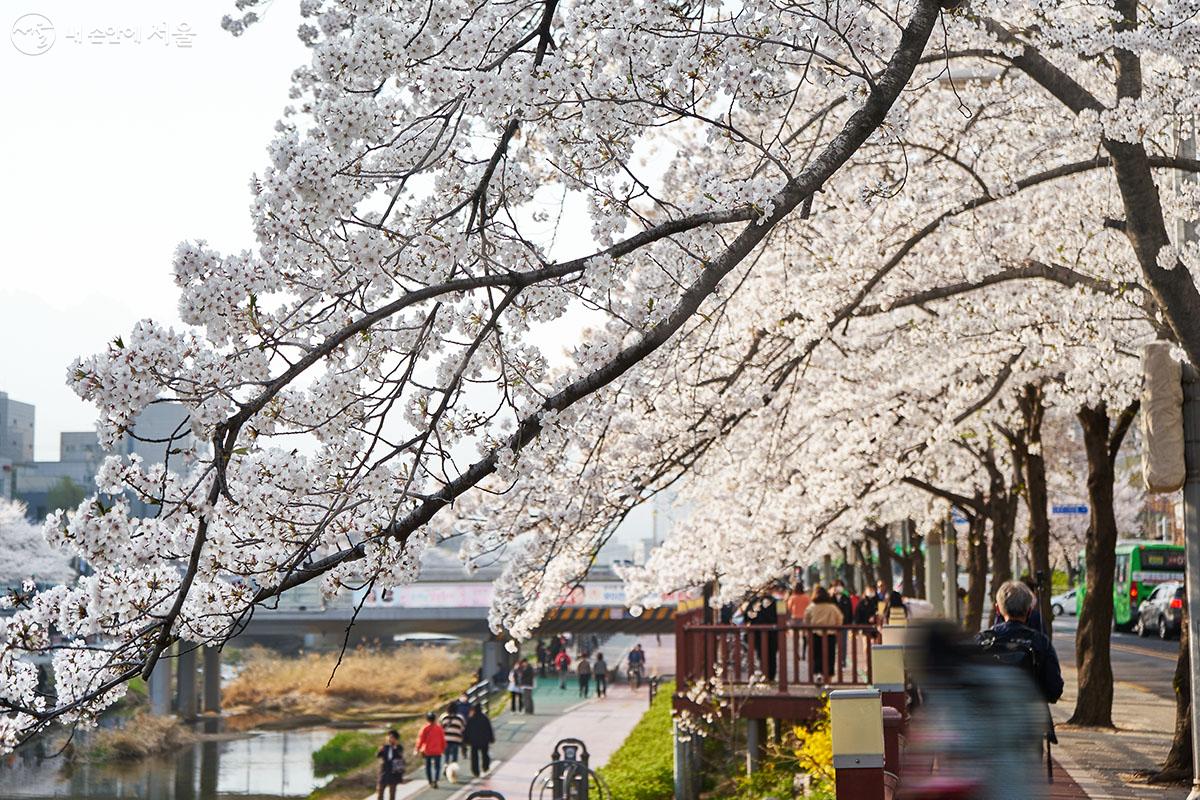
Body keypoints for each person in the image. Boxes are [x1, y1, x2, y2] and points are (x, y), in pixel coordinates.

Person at [978, 579, 1064, 763]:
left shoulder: (983, 641)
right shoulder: (1040, 642)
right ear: (1029, 611)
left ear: (998, 609)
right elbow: (1054, 688)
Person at [803, 585, 844, 679]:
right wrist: (836, 627)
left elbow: (806, 619)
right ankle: (829, 676)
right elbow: (840, 618)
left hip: (815, 633)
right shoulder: (832, 607)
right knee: (830, 655)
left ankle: (818, 673)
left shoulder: (812, 607)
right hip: (830, 633)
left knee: (817, 655)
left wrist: (807, 631)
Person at [745, 590, 780, 681]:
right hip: (772, 633)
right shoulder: (776, 602)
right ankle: (771, 676)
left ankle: (765, 674)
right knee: (772, 655)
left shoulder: (754, 601)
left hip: (758, 633)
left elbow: (747, 617)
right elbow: (780, 617)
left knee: (761, 655)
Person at [415, 711, 446, 789]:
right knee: (437, 767)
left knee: (428, 767)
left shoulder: (425, 728)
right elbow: (443, 739)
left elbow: (421, 739)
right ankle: (435, 780)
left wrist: (417, 749)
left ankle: (430, 781)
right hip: (437, 750)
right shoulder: (439, 728)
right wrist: (443, 748)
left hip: (427, 751)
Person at [464, 702, 495, 777]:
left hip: (474, 741)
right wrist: (491, 738)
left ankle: (475, 771)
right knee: (485, 755)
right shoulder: (485, 718)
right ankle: (485, 768)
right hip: (484, 740)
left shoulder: (471, 719)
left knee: (474, 757)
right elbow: (489, 729)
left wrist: (466, 740)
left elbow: (467, 731)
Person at [376, 729, 405, 800]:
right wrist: (380, 750)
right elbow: (378, 755)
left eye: (391, 737)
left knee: (392, 792)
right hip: (384, 771)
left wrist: (395, 747)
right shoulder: (384, 747)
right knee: (380, 791)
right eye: (388, 737)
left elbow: (399, 756)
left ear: (395, 739)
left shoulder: (399, 747)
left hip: (393, 772)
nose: (389, 738)